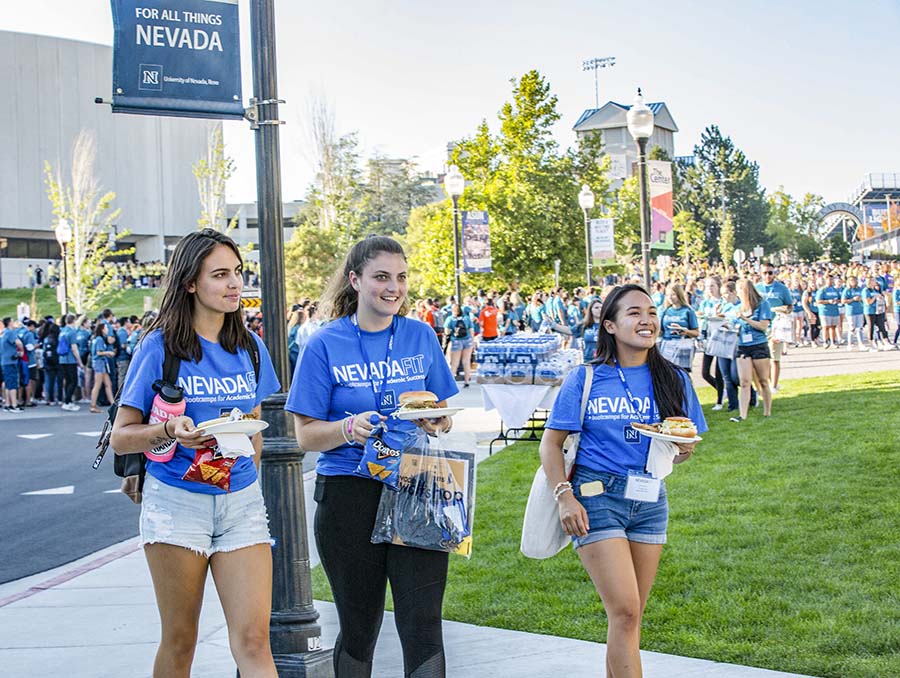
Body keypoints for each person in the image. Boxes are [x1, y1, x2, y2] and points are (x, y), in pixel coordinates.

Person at [109, 229, 280, 678]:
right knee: (181, 639)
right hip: (177, 505)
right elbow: (122, 437)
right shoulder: (161, 347)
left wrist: (248, 478)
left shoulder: (251, 348)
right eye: (220, 275)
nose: (234, 284)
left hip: (241, 503)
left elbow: (254, 427)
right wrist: (168, 429)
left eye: (238, 273)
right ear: (190, 283)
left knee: (254, 640)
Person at [286, 235, 458, 678]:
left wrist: (436, 422)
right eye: (381, 277)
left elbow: (441, 413)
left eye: (400, 278)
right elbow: (304, 435)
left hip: (417, 485)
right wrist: (347, 428)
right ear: (355, 280)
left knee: (423, 624)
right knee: (361, 625)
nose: (393, 288)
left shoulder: (420, 334)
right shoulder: (325, 343)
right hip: (348, 494)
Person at [539, 284, 706, 678]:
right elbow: (551, 445)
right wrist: (565, 496)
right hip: (596, 497)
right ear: (610, 325)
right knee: (625, 610)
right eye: (634, 313)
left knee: (630, 618)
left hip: (650, 499)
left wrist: (680, 449)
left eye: (650, 311)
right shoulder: (585, 378)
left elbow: (683, 444)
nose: (646, 319)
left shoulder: (674, 379)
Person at [731, 279, 773, 423]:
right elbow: (736, 325)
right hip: (743, 345)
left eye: (739, 290)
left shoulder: (762, 305)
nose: (737, 294)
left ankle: (767, 411)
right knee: (744, 381)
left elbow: (763, 326)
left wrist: (745, 318)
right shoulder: (739, 307)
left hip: (759, 345)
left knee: (763, 380)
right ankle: (743, 414)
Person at [755, 264, 793, 392]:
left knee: (774, 357)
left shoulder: (782, 289)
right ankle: (766, 382)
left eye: (770, 273)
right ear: (760, 273)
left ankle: (774, 385)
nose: (767, 276)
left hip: (777, 326)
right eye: (765, 273)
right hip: (761, 326)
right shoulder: (757, 288)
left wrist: (781, 310)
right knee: (762, 358)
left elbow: (789, 306)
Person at [658, 283, 699, 372]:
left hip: (682, 346)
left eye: (673, 295)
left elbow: (696, 333)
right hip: (667, 346)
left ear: (679, 295)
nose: (670, 297)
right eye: (668, 295)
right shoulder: (665, 311)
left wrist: (685, 331)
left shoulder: (688, 311)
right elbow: (661, 331)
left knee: (682, 374)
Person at [698, 275, 725, 410]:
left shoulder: (722, 302)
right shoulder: (705, 303)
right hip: (708, 338)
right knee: (705, 372)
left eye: (712, 286)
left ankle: (720, 400)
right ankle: (722, 390)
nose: (710, 289)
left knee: (719, 372)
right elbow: (703, 320)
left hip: (720, 339)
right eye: (708, 286)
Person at [549, 297, 602, 363]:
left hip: (604, 361)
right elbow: (569, 330)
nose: (600, 309)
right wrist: (553, 324)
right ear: (590, 310)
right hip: (589, 360)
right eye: (596, 308)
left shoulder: (608, 324)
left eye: (601, 307)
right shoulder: (584, 324)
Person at [88, 320, 116, 413]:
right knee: (98, 384)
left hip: (101, 363)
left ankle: (113, 403)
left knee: (108, 384)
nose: (107, 330)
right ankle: (93, 405)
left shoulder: (96, 338)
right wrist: (108, 352)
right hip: (99, 363)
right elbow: (98, 352)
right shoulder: (99, 339)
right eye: (106, 328)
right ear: (102, 329)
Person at [444, 302, 474, 388]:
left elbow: (447, 331)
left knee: (455, 363)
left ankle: (451, 382)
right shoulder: (466, 318)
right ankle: (467, 381)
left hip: (456, 341)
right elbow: (471, 331)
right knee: (466, 362)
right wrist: (472, 342)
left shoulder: (450, 319)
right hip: (467, 340)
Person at [1, 317, 24, 412]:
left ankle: (7, 403)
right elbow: (18, 342)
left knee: (7, 383)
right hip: (10, 361)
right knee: (13, 383)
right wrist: (21, 351)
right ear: (9, 323)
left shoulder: (3, 333)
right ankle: (14, 405)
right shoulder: (10, 333)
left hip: (4, 361)